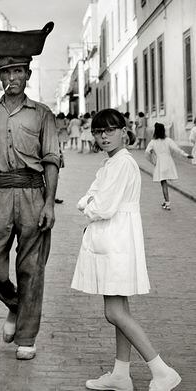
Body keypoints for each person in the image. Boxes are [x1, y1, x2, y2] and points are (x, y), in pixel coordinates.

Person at [71, 109, 181, 391]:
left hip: (116, 238)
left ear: (124, 130)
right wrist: (90, 201)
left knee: (114, 311)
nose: (103, 136)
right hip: (114, 236)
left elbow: (101, 205)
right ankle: (121, 374)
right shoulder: (112, 163)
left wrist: (87, 205)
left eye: (109, 130)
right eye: (98, 131)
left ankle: (161, 369)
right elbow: (93, 193)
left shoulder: (122, 163)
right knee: (119, 308)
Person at [0, 54, 60, 360]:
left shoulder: (42, 114)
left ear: (27, 74)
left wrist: (49, 203)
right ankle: (16, 305)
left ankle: (27, 336)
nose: (12, 77)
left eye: (18, 71)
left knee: (31, 268)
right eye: (6, 71)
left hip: (33, 193)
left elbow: (51, 160)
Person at [145, 122, 193, 210]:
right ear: (163, 131)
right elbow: (177, 149)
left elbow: (147, 153)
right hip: (169, 162)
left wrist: (152, 161)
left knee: (163, 184)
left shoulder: (153, 142)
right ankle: (165, 201)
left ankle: (167, 203)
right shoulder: (168, 140)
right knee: (165, 183)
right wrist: (186, 155)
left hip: (160, 164)